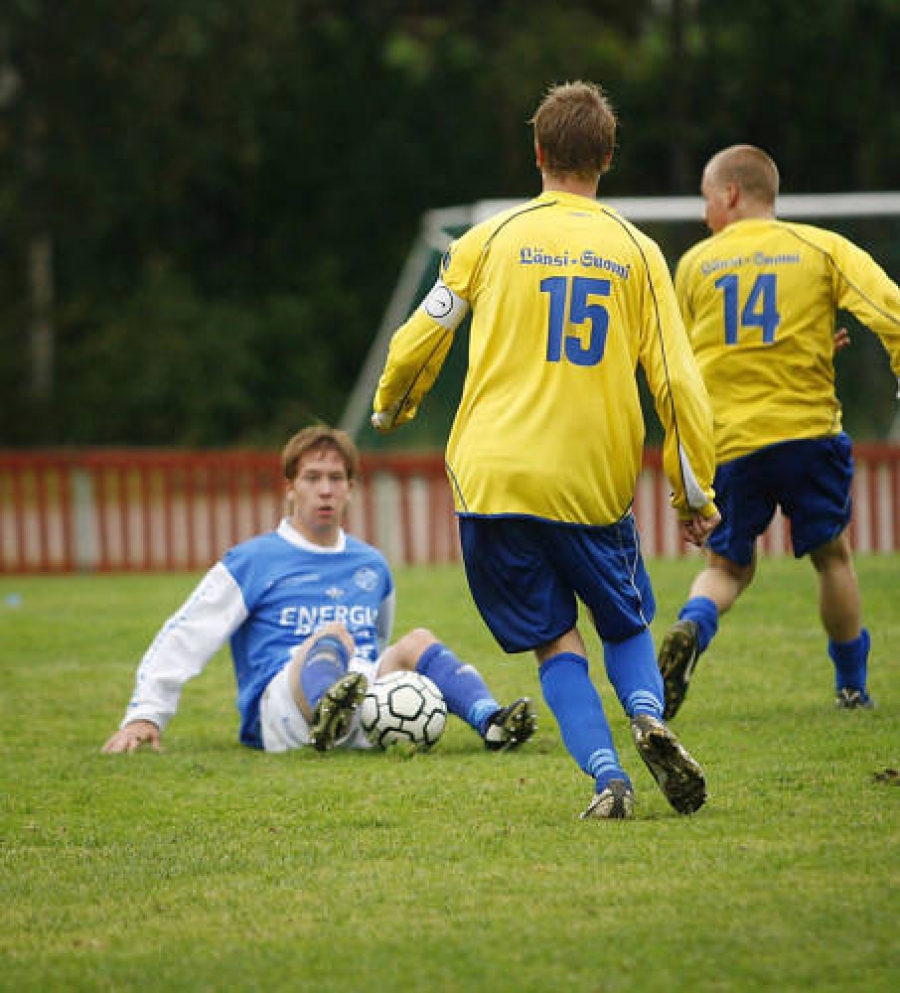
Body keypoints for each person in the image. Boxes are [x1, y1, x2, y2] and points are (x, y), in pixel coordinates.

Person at [371, 80, 720, 820]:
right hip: (589, 478)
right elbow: (678, 384)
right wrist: (694, 496)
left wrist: (393, 403)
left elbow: (422, 335)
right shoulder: (637, 251)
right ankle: (649, 718)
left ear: (536, 152)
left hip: (494, 480)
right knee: (623, 623)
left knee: (553, 639)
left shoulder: (487, 239)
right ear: (609, 156)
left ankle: (608, 780)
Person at [102, 424, 536, 755]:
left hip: (362, 694)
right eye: (312, 477)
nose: (324, 489)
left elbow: (379, 641)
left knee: (417, 639)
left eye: (335, 477)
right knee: (334, 635)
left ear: (351, 487)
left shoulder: (371, 565)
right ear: (290, 487)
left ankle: (491, 721)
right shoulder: (252, 561)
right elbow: (187, 634)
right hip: (281, 710)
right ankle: (327, 712)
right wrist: (146, 714)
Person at [657, 144, 900, 720]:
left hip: (731, 444)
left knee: (726, 569)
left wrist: (683, 463)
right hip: (808, 434)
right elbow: (889, 310)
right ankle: (850, 687)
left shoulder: (695, 264)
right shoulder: (820, 248)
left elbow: (682, 363)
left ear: (732, 194)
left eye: (706, 199)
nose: (703, 214)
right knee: (832, 558)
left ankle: (692, 626)